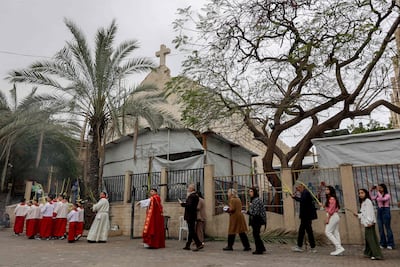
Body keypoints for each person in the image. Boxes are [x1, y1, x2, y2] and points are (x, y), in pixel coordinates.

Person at [354, 189, 383, 260]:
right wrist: (358, 215)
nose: (360, 194)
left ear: (365, 193)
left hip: (369, 223)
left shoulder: (368, 201)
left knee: (371, 239)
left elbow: (370, 212)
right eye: (359, 193)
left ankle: (376, 254)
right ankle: (368, 253)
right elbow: (364, 213)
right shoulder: (364, 202)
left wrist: (370, 222)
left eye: (362, 193)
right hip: (367, 223)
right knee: (368, 238)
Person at [291, 183, 317, 253]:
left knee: (306, 231)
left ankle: (311, 247)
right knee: (304, 231)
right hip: (305, 216)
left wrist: (294, 197)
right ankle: (304, 246)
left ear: (301, 187)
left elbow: (302, 200)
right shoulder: (304, 193)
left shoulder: (305, 193)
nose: (298, 190)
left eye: (298, 188)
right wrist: (295, 197)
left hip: (306, 216)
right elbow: (302, 201)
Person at [370, 183, 395, 249]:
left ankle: (390, 244)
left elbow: (382, 199)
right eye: (379, 188)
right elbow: (372, 198)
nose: (379, 189)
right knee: (380, 228)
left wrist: (377, 191)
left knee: (387, 228)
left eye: (381, 188)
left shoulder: (387, 195)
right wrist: (371, 191)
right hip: (379, 210)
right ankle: (383, 243)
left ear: (384, 188)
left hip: (385, 210)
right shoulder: (378, 195)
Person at [180, 184, 204, 251]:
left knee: (192, 231)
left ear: (191, 189)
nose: (187, 189)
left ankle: (199, 244)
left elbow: (189, 205)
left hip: (190, 216)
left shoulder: (191, 196)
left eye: (188, 188)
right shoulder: (196, 196)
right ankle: (188, 245)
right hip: (193, 215)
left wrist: (183, 204)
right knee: (191, 231)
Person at [323, 185, 344, 256]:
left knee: (327, 232)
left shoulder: (331, 198)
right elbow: (330, 208)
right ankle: (339, 250)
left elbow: (331, 211)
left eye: (327, 189)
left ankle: (339, 247)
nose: (326, 190)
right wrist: (324, 206)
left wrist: (327, 219)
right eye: (325, 189)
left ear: (331, 191)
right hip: (335, 216)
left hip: (332, 216)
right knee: (335, 232)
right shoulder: (332, 198)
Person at [246, 187, 266, 254]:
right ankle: (262, 248)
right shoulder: (254, 200)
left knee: (256, 234)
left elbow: (256, 212)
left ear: (254, 192)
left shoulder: (256, 200)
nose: (250, 193)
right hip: (256, 219)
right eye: (249, 191)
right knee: (256, 234)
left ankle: (259, 250)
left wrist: (247, 212)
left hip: (257, 220)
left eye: (251, 191)